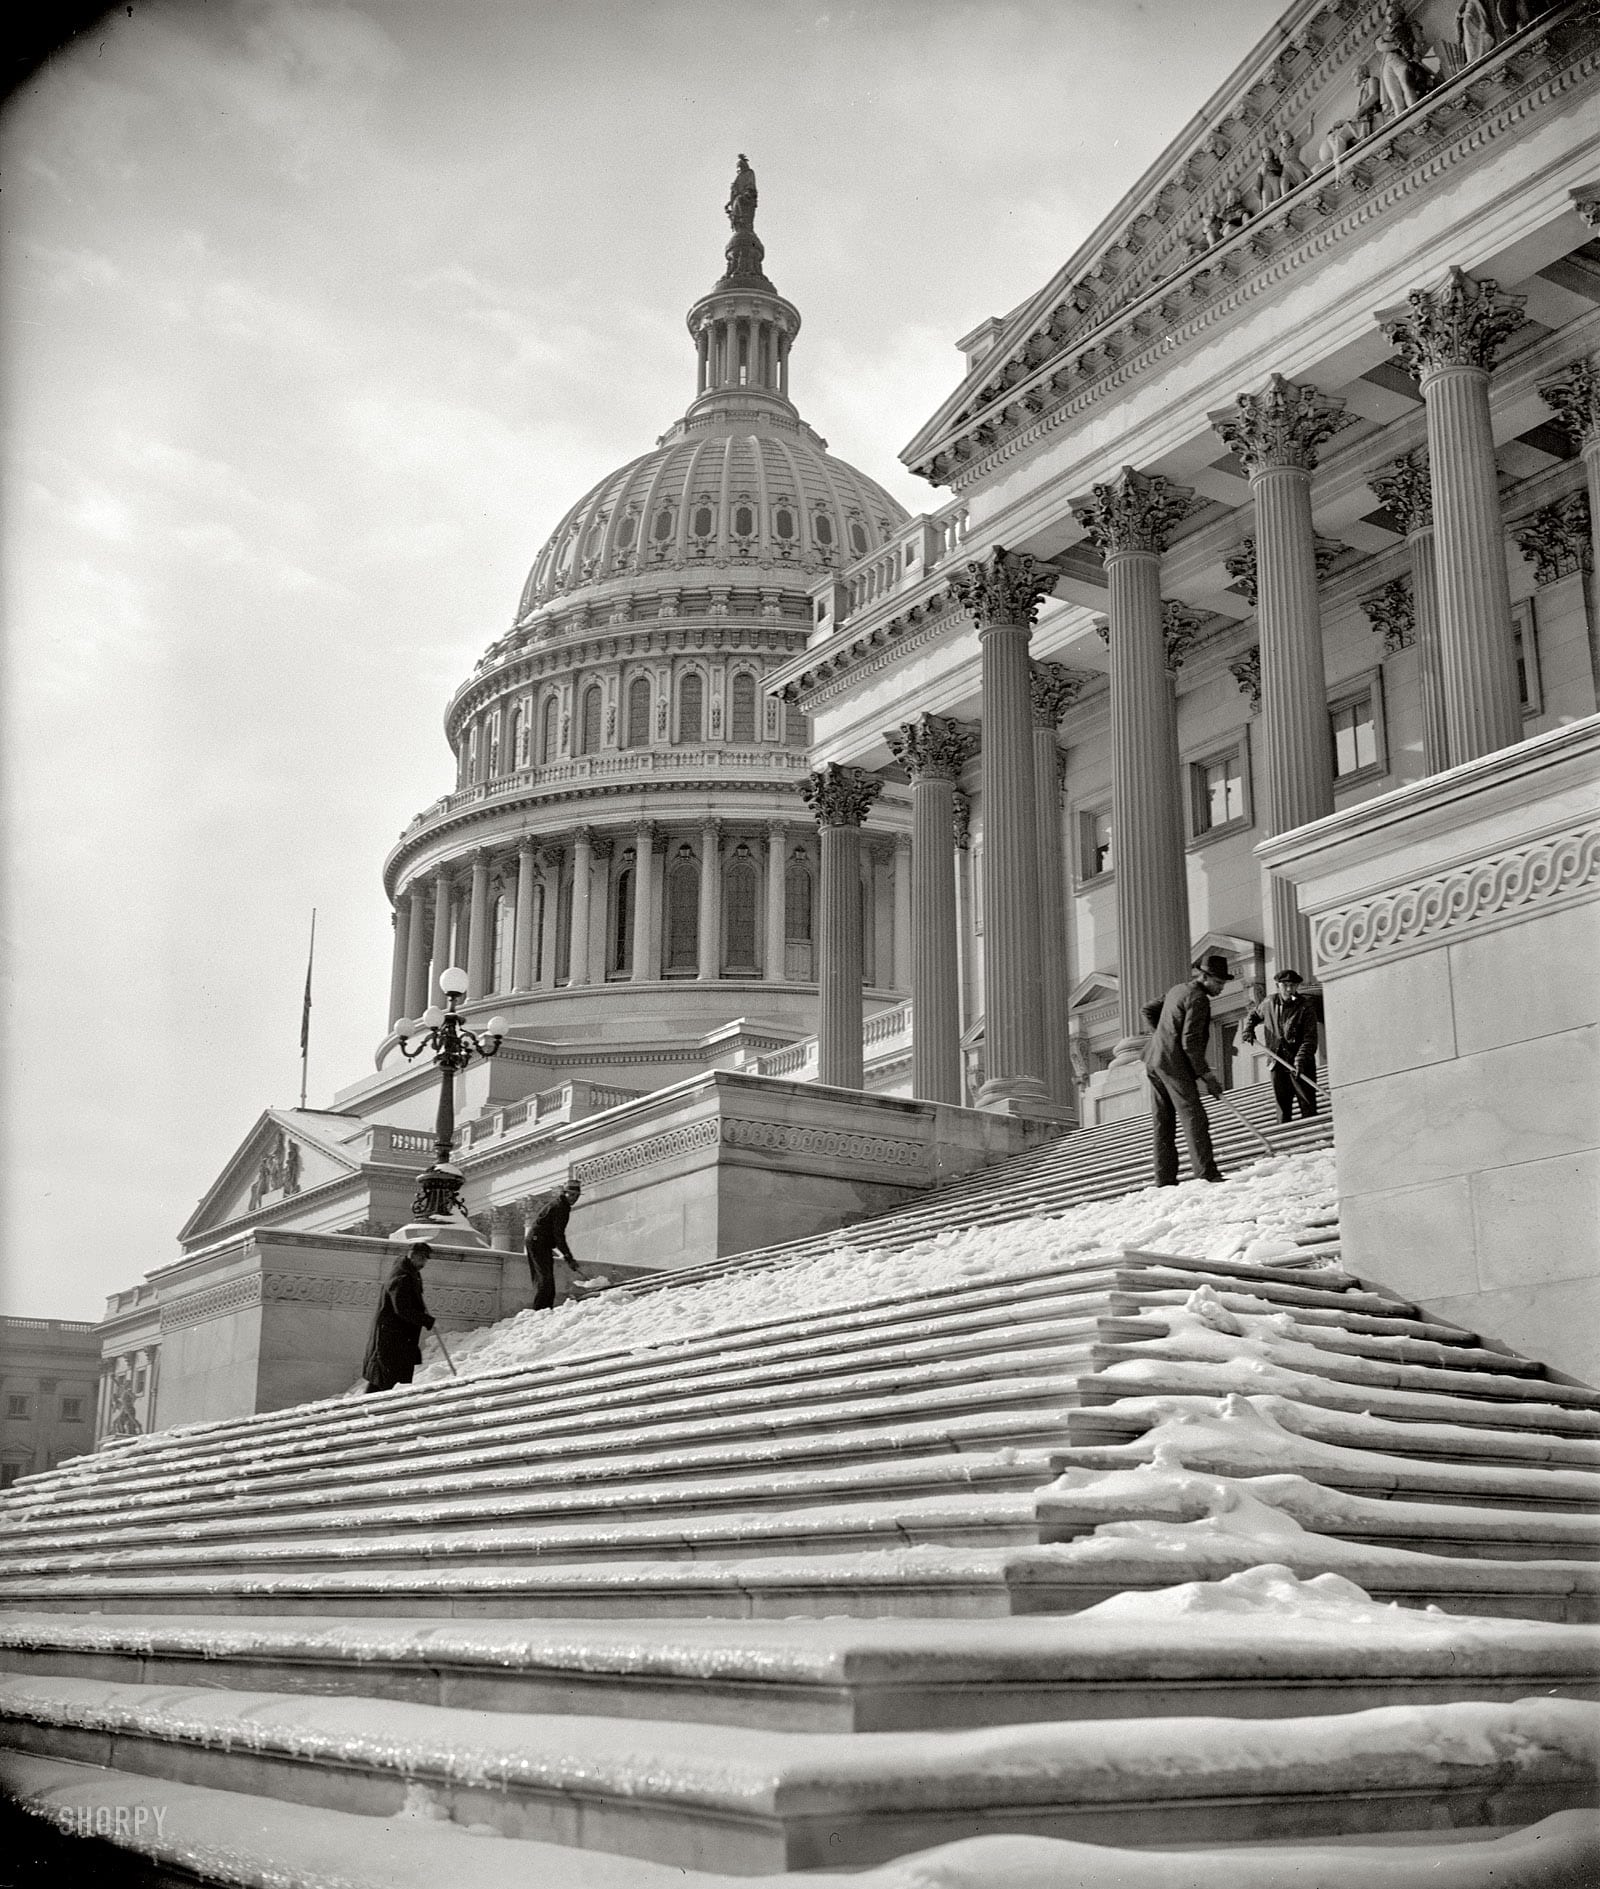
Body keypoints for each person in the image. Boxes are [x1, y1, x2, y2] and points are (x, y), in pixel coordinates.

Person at [1142, 953, 1232, 1187]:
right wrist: (1208, 1076)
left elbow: (1148, 1009)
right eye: (1218, 983)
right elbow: (1190, 1042)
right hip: (1173, 1064)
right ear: (1204, 977)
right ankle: (1207, 1174)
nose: (1221, 988)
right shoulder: (1199, 998)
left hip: (1154, 1059)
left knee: (1163, 1121)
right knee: (1195, 1117)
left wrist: (1163, 1037)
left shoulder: (1177, 990)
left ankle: (1164, 1179)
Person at [1242, 968, 1321, 1122]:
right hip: (1276, 1061)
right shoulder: (1269, 1002)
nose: (1289, 989)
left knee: (1307, 1104)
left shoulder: (1305, 1006)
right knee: (1283, 1107)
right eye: (1285, 985)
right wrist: (1248, 1029)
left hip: (1300, 1063)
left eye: (1293, 985)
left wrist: (1301, 1059)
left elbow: (1310, 1038)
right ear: (1278, 985)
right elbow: (1254, 1015)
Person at [362, 1241, 435, 1393]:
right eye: (422, 1259)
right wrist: (427, 1320)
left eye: (426, 1260)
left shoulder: (410, 1273)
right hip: (393, 1340)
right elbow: (402, 1309)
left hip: (398, 1340)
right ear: (412, 1256)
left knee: (385, 1382)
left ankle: (366, 1411)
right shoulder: (402, 1277)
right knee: (386, 1381)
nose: (424, 1263)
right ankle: (363, 1412)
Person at [525, 1179, 583, 1312]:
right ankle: (540, 1310)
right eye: (572, 1195)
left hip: (541, 1242)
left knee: (547, 1277)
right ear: (565, 1193)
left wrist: (567, 1256)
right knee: (545, 1278)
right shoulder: (560, 1207)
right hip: (537, 1242)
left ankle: (545, 1308)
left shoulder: (561, 1205)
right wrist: (568, 1257)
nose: (574, 1198)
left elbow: (556, 1235)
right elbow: (558, 1235)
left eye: (577, 1196)